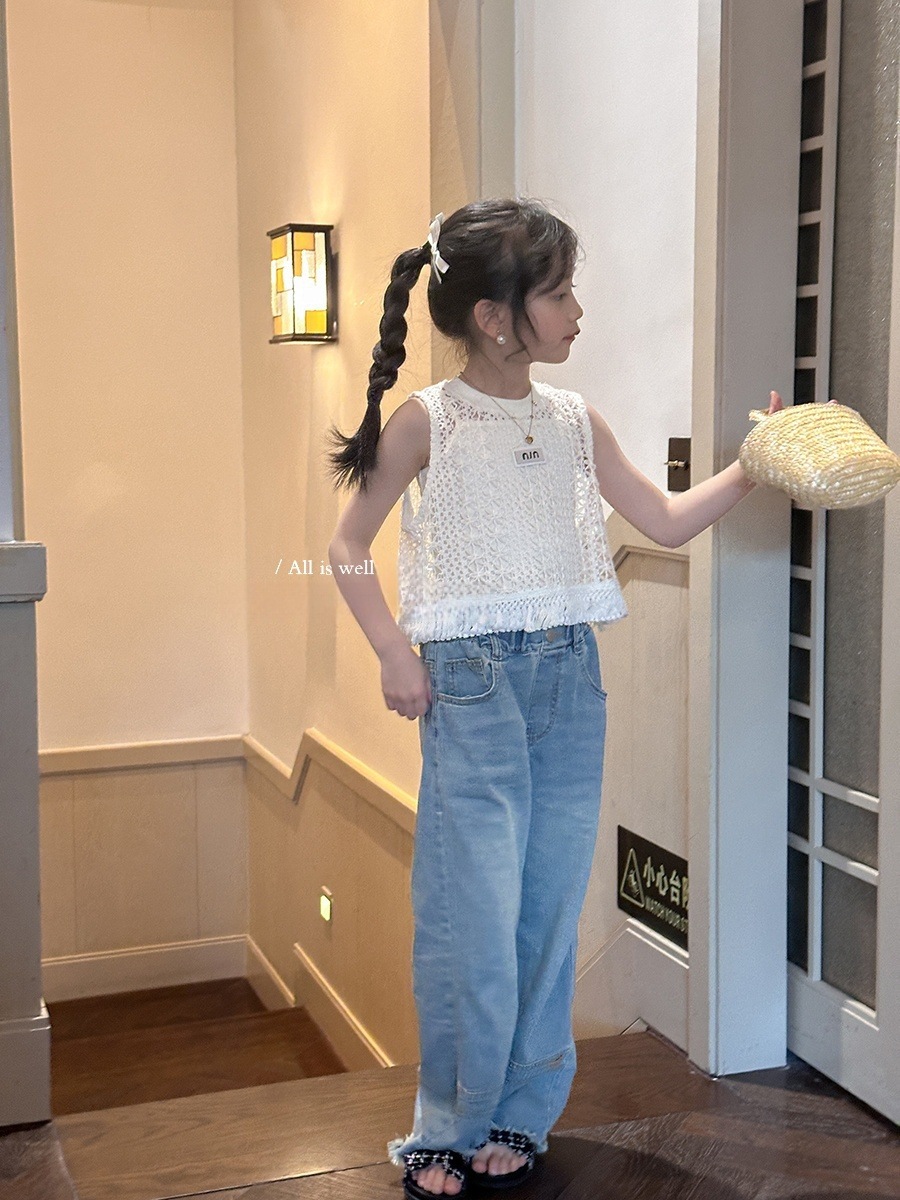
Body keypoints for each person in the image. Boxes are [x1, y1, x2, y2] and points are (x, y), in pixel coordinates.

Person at [325, 198, 781, 1200]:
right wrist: (395, 653)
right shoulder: (428, 421)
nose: (578, 312)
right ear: (497, 318)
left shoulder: (576, 421)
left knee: (546, 910)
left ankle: (521, 1117)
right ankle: (447, 1126)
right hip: (471, 685)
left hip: (571, 678)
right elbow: (347, 546)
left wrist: (753, 466)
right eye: (560, 294)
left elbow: (664, 521)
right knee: (471, 920)